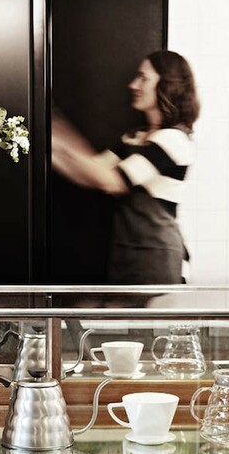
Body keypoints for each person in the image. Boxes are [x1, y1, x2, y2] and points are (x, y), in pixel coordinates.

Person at [51, 49, 200, 284]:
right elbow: (90, 169)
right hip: (127, 254)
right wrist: (46, 144)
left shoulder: (173, 140)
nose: (133, 84)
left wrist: (57, 134)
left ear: (167, 84)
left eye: (143, 78)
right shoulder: (135, 137)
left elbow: (112, 181)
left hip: (158, 258)